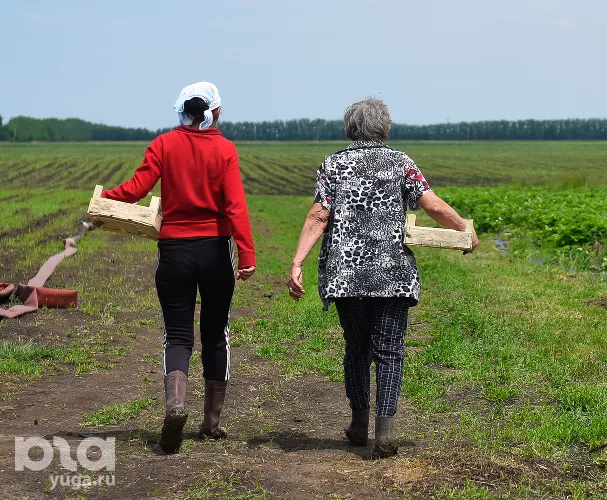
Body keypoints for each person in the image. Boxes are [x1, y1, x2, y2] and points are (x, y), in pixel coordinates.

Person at [287, 97, 479, 458]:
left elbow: (317, 216)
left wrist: (297, 263)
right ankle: (384, 434)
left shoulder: (334, 164)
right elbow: (432, 204)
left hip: (347, 279)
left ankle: (359, 424)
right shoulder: (401, 162)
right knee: (390, 353)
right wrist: (464, 230)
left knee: (357, 351)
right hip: (393, 279)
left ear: (350, 128)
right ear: (384, 127)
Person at [100, 82, 256, 454]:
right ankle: (211, 423)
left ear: (181, 112)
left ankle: (175, 405)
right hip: (216, 252)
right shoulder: (225, 150)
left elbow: (137, 189)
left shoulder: (163, 145)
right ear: (215, 112)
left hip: (174, 253)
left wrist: (102, 199)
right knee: (216, 334)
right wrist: (247, 256)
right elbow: (235, 206)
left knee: (177, 334)